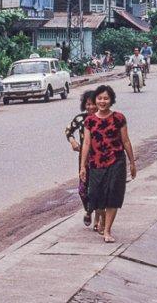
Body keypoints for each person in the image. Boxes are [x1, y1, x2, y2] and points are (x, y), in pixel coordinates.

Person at [80, 85, 136, 243]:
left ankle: (107, 231)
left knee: (113, 195)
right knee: (95, 195)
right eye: (99, 98)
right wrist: (83, 166)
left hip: (116, 161)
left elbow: (125, 140)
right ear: (95, 100)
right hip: (96, 163)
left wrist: (132, 163)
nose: (102, 101)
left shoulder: (119, 118)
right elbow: (86, 144)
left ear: (111, 100)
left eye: (106, 98)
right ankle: (101, 217)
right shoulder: (89, 121)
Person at [65, 90, 98, 229]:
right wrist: (72, 141)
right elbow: (68, 131)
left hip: (101, 160)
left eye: (93, 104)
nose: (90, 107)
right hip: (84, 160)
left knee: (98, 190)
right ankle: (89, 210)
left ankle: (98, 221)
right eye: (88, 104)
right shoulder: (80, 119)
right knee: (83, 190)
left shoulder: (103, 119)